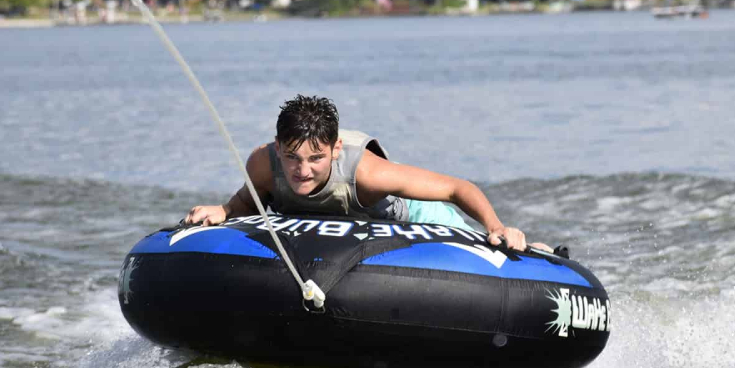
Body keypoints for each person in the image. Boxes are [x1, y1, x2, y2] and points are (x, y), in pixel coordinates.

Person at [185, 94, 531, 251]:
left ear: (335, 149)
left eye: (316, 158)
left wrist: (495, 226)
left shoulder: (367, 173)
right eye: (292, 157)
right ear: (278, 147)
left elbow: (456, 189)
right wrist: (225, 211)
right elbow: (248, 201)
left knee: (495, 242)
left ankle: (537, 249)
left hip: (415, 218)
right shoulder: (263, 163)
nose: (302, 171)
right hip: (333, 231)